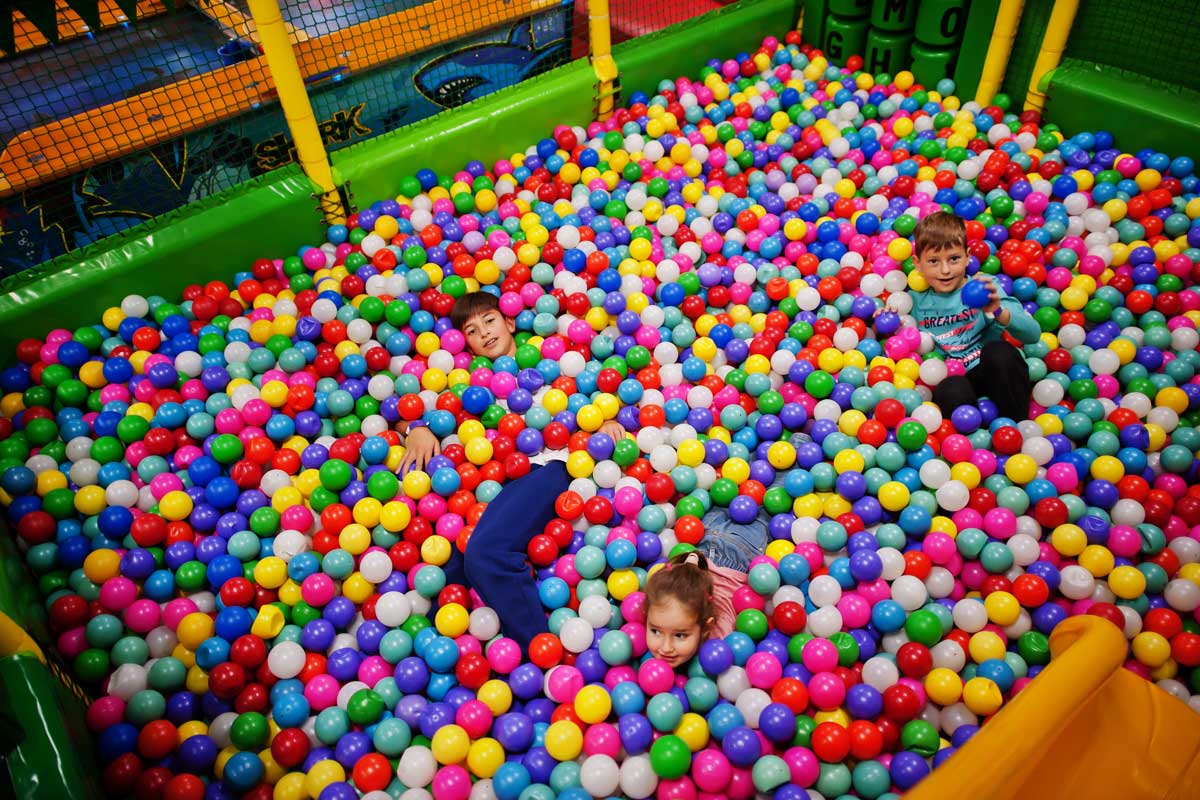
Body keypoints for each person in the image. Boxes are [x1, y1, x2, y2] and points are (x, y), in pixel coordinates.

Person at [396, 291, 626, 652]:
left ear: (510, 322)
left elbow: (594, 394)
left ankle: (541, 651)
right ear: (466, 346)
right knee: (448, 575)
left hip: (554, 467)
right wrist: (417, 427)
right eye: (471, 331)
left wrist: (605, 417)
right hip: (496, 483)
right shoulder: (470, 383)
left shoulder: (553, 361)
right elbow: (424, 406)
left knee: (485, 553)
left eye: (489, 321)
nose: (484, 332)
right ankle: (440, 659)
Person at [887, 211, 1041, 421]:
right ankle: (973, 444)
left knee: (999, 353)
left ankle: (1014, 427)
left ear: (968, 256)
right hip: (953, 377)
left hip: (992, 372)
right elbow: (891, 342)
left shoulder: (984, 286)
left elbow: (1033, 335)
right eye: (933, 261)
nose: (945, 270)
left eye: (954, 259)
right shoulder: (911, 302)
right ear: (917, 263)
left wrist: (997, 310)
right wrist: (883, 321)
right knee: (951, 387)